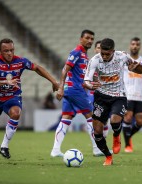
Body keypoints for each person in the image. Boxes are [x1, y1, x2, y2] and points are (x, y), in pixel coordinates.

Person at [0, 38, 59, 164]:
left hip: (12, 97)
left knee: (16, 113)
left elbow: (37, 68)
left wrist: (54, 81)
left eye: (11, 50)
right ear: (0, 51)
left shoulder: (20, 61)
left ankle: (4, 146)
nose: (9, 53)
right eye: (6, 51)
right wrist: (5, 81)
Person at [84, 38, 142, 166]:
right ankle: (108, 156)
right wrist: (90, 85)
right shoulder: (95, 60)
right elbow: (86, 80)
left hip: (119, 96)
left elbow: (136, 67)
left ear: (113, 51)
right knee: (97, 131)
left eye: (107, 54)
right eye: (102, 53)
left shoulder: (122, 56)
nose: (104, 56)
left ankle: (116, 136)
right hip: (101, 97)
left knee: (115, 120)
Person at [50, 29, 101, 157]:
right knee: (91, 117)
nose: (90, 41)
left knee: (66, 118)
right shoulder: (77, 51)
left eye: (91, 39)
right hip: (75, 90)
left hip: (72, 90)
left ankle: (55, 150)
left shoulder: (84, 55)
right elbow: (65, 69)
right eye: (87, 38)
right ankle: (96, 148)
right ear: (81, 39)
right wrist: (61, 87)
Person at [122, 37, 142, 153]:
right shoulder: (125, 60)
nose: (135, 46)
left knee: (140, 122)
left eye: (137, 44)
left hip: (140, 96)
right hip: (128, 95)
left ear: (140, 47)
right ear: (130, 46)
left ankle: (128, 136)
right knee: (128, 118)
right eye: (133, 44)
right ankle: (127, 145)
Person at [87, 40, 111, 156]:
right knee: (95, 121)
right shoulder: (92, 62)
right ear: (95, 50)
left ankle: (101, 146)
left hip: (106, 95)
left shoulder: (110, 62)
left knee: (105, 122)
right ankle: (96, 148)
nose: (99, 50)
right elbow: (85, 79)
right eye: (97, 48)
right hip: (93, 95)